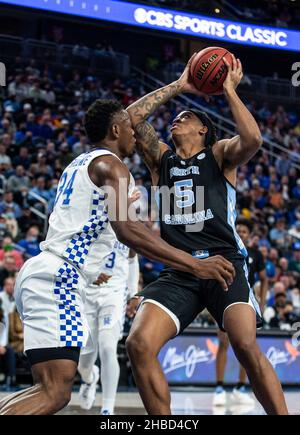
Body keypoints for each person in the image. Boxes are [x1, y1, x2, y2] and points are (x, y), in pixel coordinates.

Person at [0, 99, 232, 415]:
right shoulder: (113, 165)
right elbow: (128, 231)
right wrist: (194, 263)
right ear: (114, 130)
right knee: (55, 393)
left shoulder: (79, 163)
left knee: (46, 388)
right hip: (60, 279)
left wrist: (180, 84)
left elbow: (106, 224)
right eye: (128, 126)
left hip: (45, 273)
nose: (135, 132)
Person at [125, 53, 288, 415]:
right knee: (138, 344)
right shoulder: (160, 159)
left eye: (187, 116)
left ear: (203, 129)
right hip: (179, 270)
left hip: (224, 264)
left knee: (244, 343)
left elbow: (254, 138)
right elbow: (127, 120)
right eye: (177, 116)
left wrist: (228, 89)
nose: (177, 118)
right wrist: (180, 86)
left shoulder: (219, 154)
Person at [78, 241, 140, 415]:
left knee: (107, 347)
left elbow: (132, 258)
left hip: (114, 292)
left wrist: (134, 293)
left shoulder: (125, 219)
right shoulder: (86, 219)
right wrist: (91, 274)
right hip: (87, 292)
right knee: (84, 362)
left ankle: (107, 409)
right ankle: (89, 379)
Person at [213, 218, 268, 406]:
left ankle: (240, 388)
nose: (242, 233)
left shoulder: (255, 254)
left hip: (246, 302)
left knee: (247, 346)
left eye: (245, 231)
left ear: (250, 235)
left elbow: (264, 279)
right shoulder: (225, 247)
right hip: (223, 297)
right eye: (240, 230)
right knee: (223, 343)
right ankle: (219, 388)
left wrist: (263, 301)